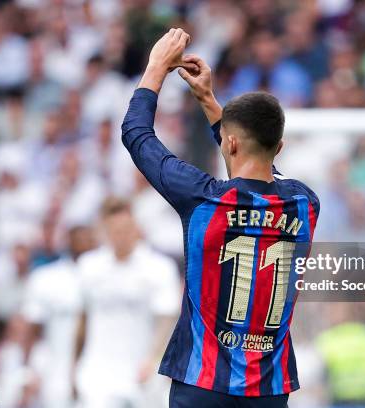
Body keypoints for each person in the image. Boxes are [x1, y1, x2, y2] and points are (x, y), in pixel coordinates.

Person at [121, 28, 319, 407]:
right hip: (268, 390)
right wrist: (209, 100)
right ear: (279, 147)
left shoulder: (202, 199)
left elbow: (136, 133)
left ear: (228, 141)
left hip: (202, 384)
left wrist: (156, 68)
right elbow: (255, 164)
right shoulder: (305, 203)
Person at [74, 198, 181, 408]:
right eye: (114, 230)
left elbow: (167, 320)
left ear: (135, 228)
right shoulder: (88, 266)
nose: (120, 236)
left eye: (125, 229)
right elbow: (82, 319)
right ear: (105, 231)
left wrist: (152, 359)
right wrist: (75, 362)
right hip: (96, 372)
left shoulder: (159, 268)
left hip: (141, 373)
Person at [20, 225, 96, 408]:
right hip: (57, 367)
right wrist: (30, 369)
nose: (83, 244)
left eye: (88, 239)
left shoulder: (106, 278)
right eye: (78, 239)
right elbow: (32, 329)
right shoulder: (46, 278)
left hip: (97, 365)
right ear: (67, 242)